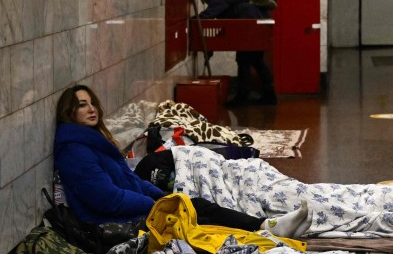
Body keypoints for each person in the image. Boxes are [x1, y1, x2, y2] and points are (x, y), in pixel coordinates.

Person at [53, 85, 307, 236]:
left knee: (193, 204)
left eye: (92, 103)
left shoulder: (94, 143)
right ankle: (264, 230)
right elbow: (108, 199)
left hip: (130, 208)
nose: (91, 109)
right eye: (82, 105)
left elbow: (129, 180)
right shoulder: (76, 152)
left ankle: (265, 226)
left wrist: (158, 196)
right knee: (194, 218)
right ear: (69, 113)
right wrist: (154, 205)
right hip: (110, 224)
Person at [198, 0, 277, 106]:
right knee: (256, 60)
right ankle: (269, 95)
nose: (209, 3)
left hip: (249, 28)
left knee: (244, 60)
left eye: (207, 1)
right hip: (259, 25)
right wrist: (211, 45)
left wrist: (191, 19)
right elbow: (224, 25)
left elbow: (208, 15)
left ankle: (242, 97)